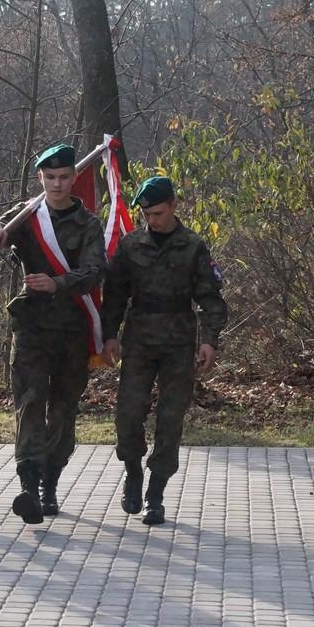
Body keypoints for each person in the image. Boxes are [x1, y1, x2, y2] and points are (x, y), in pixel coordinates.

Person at [0, 144, 106, 524]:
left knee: (63, 412)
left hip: (71, 331)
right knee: (30, 403)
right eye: (49, 177)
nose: (57, 184)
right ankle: (29, 485)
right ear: (40, 178)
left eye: (64, 177)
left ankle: (50, 480)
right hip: (32, 327)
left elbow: (95, 271)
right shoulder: (29, 215)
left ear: (74, 178)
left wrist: (57, 283)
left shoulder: (88, 224)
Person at [100, 176, 228, 525]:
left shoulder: (193, 246)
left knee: (171, 419)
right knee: (128, 414)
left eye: (157, 213)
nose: (152, 220)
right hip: (139, 338)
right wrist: (109, 335)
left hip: (178, 342)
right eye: (146, 214)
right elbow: (114, 295)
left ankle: (155, 494)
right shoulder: (131, 245)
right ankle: (133, 472)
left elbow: (210, 298)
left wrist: (209, 340)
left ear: (173, 206)